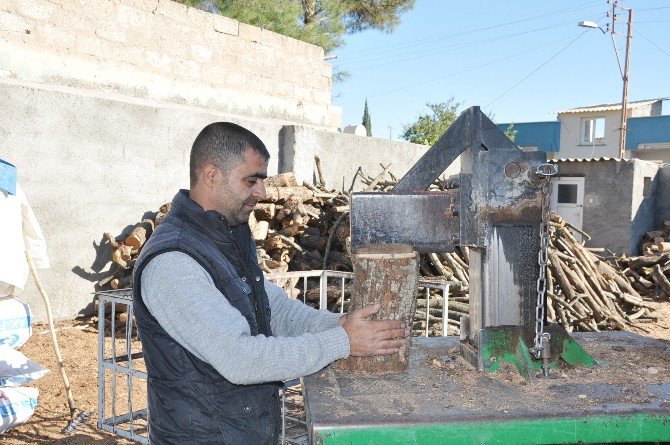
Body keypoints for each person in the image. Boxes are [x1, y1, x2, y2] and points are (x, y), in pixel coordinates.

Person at [132, 122, 408, 445]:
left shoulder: (227, 235)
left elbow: (270, 307)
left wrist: (337, 325)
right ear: (210, 176)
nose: (262, 193)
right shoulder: (172, 262)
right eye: (252, 180)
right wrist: (341, 342)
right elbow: (240, 358)